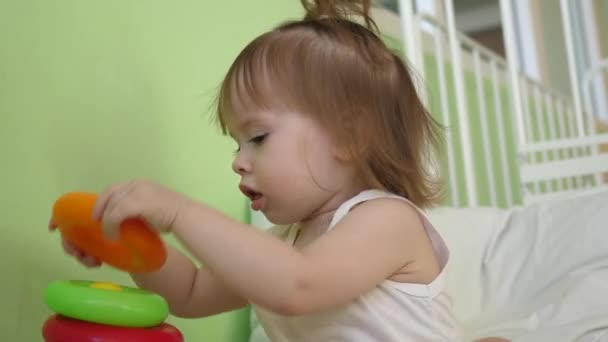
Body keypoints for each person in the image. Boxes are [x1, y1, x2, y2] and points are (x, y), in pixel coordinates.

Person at [50, 0, 467, 340]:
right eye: (236, 143)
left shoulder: (388, 219)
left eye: (259, 138)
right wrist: (129, 245)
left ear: (349, 138)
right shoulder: (282, 247)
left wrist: (181, 212)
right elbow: (193, 293)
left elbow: (298, 285)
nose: (238, 161)